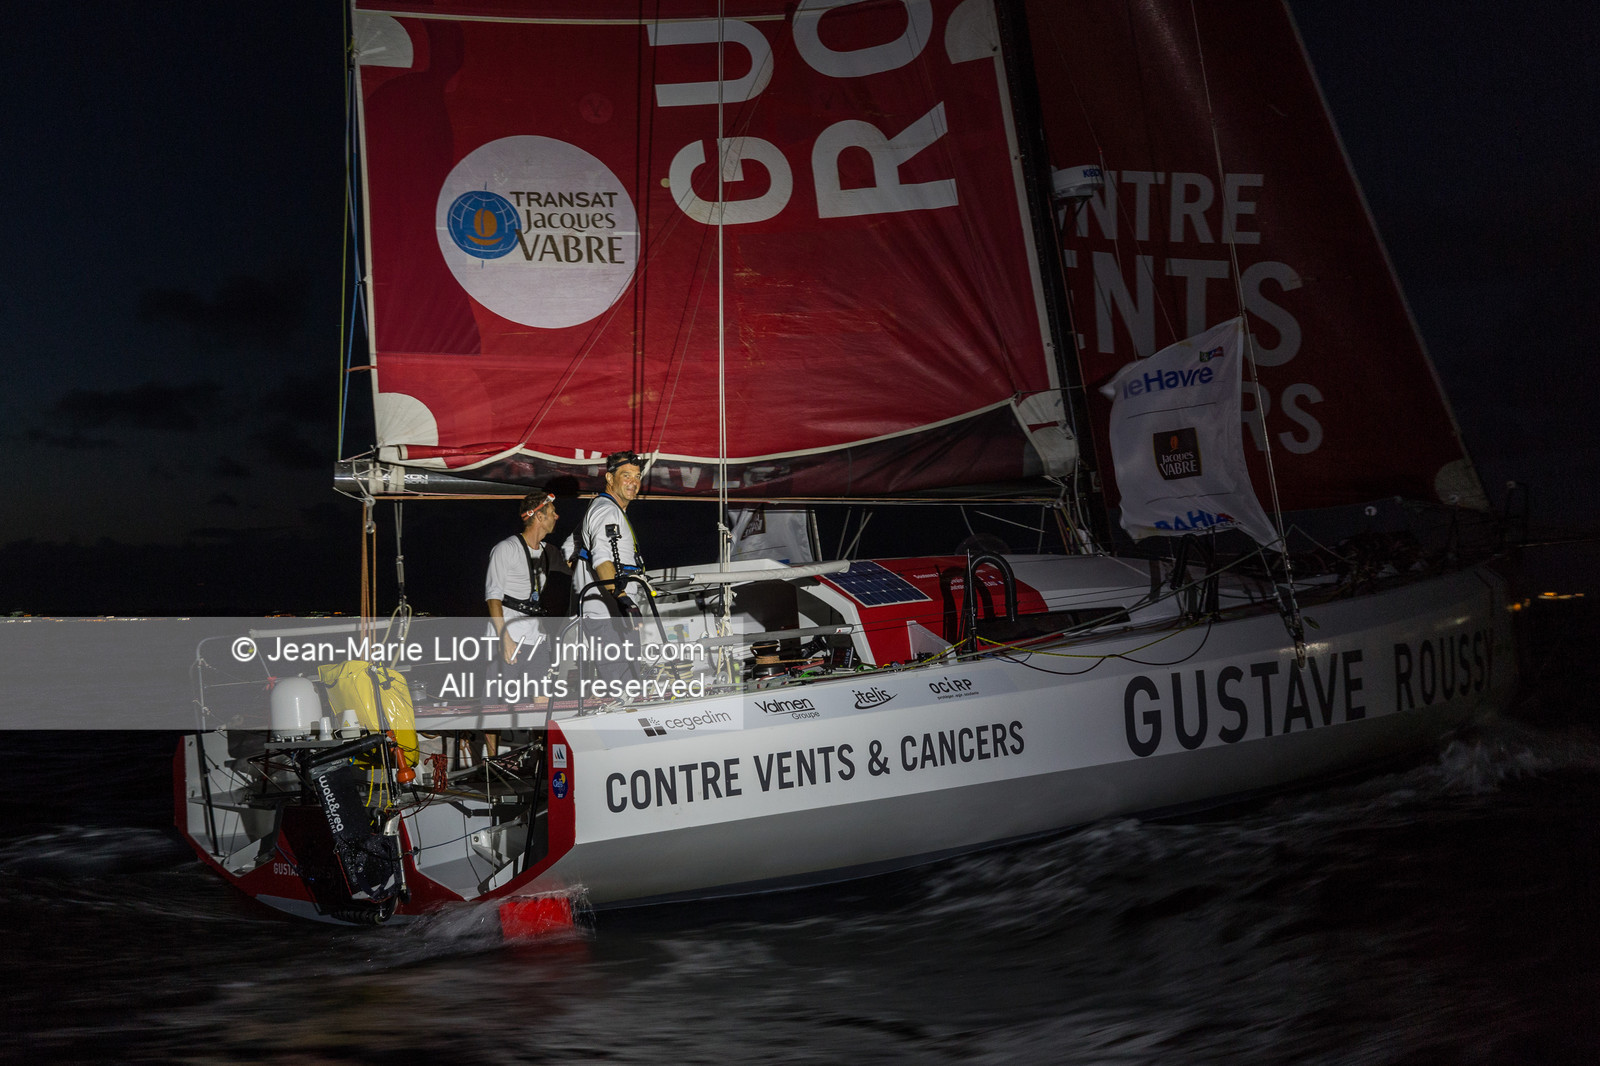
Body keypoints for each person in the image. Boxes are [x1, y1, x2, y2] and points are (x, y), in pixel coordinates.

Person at [565, 451, 646, 619]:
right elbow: (602, 557)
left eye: (637, 476)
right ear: (610, 478)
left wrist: (583, 578)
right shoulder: (607, 511)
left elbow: (567, 552)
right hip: (609, 615)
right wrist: (623, 599)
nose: (634, 482)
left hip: (600, 612)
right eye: (626, 475)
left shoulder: (602, 508)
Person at [485, 491, 561, 666]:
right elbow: (493, 597)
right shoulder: (506, 548)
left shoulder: (548, 552)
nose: (557, 516)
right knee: (502, 693)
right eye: (552, 513)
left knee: (541, 694)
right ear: (540, 517)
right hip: (510, 638)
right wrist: (504, 639)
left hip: (537, 639)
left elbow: (574, 564)